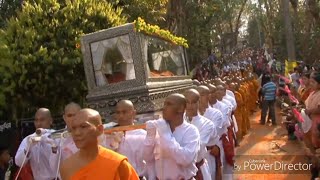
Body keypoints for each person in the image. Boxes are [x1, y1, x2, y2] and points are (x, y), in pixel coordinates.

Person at [59, 108, 139, 180]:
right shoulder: (66, 167)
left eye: (83, 127)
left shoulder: (117, 163)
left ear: (100, 129)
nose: (77, 133)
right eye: (73, 128)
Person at [143, 94, 200, 180]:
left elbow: (185, 159)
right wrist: (150, 136)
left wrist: (165, 134)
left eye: (169, 104)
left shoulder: (191, 131)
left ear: (181, 108)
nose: (164, 108)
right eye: (164, 104)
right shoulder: (160, 129)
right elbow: (147, 158)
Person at [105, 100, 147, 179]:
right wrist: (114, 144)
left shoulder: (143, 135)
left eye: (124, 112)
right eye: (118, 113)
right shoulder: (108, 135)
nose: (121, 116)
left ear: (133, 113)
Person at [15, 108, 58, 180]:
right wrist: (28, 147)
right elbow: (18, 162)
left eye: (42, 120)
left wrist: (52, 145)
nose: (38, 123)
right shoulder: (28, 139)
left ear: (50, 120)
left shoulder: (57, 136)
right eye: (36, 120)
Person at [184, 89, 217, 180]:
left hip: (199, 169)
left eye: (193, 102)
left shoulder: (207, 124)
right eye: (187, 102)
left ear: (199, 102)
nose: (190, 106)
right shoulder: (177, 122)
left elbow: (197, 147)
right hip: (180, 173)